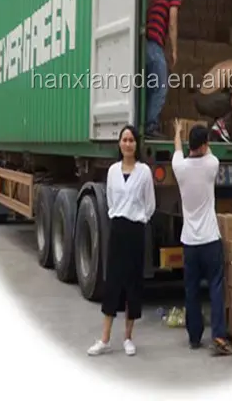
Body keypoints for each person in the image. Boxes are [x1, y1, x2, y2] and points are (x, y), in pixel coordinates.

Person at [87, 125, 156, 356]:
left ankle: (128, 337)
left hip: (135, 230)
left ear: (137, 144)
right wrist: (119, 215)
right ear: (119, 143)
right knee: (113, 282)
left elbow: (150, 204)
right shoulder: (113, 171)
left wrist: (140, 218)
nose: (127, 144)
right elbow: (111, 200)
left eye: (131, 140)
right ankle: (105, 338)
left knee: (133, 283)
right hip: (117, 229)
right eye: (124, 140)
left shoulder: (144, 172)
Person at [171, 119, 232, 355]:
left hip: (190, 242)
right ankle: (218, 336)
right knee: (215, 288)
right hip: (210, 239)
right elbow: (209, 153)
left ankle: (194, 337)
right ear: (205, 144)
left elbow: (178, 149)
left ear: (190, 144)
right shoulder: (211, 164)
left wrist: (178, 132)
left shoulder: (180, 168)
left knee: (192, 290)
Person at [145, 0, 190, 139]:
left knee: (150, 87)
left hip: (145, 46)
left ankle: (146, 124)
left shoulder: (156, 0)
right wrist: (174, 51)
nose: (180, 3)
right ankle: (151, 126)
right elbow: (172, 24)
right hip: (154, 46)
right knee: (161, 87)